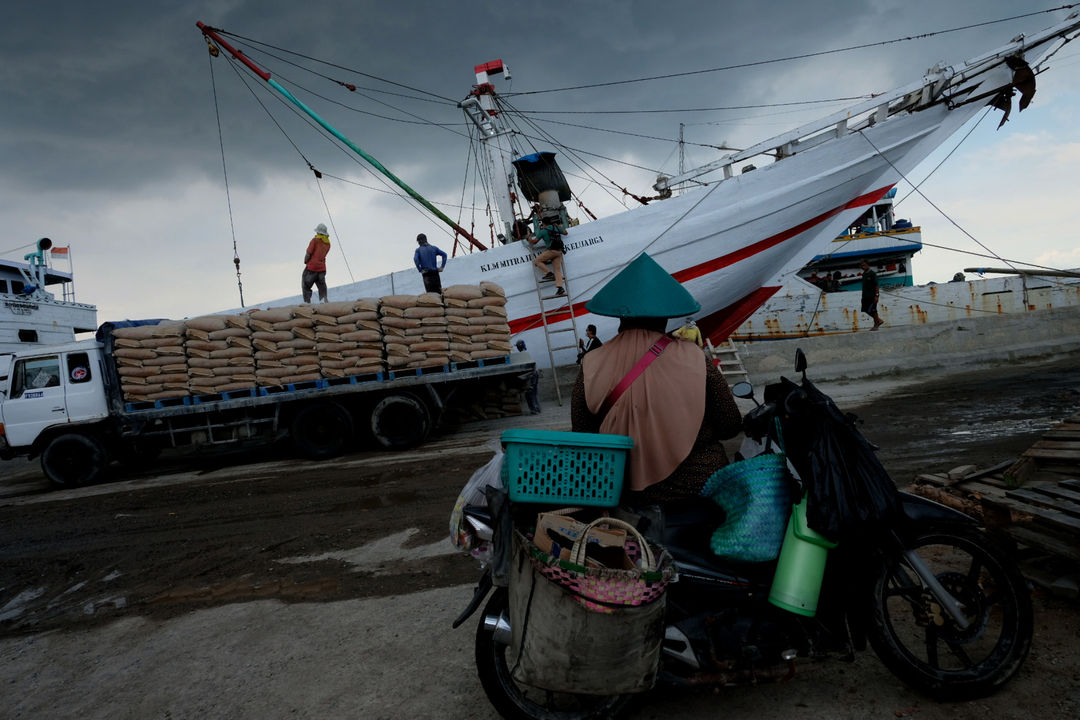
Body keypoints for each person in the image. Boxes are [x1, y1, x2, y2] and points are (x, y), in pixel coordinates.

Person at [571, 253, 742, 504]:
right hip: (699, 488)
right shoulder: (696, 358)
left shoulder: (591, 363)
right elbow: (730, 426)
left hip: (622, 490)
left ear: (621, 315)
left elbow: (583, 436)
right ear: (665, 315)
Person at [529, 220, 567, 296]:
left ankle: (548, 273)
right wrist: (558, 226)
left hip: (552, 251)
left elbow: (534, 242)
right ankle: (560, 288)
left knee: (537, 261)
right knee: (557, 270)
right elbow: (565, 233)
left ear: (543, 224)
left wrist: (528, 238)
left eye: (542, 225)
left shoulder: (543, 231)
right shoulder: (556, 227)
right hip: (559, 252)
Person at [302, 223, 331, 303]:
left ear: (318, 232)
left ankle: (307, 304)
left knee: (306, 286)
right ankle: (324, 301)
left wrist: (305, 261)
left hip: (312, 268)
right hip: (322, 269)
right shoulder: (328, 244)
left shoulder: (314, 241)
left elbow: (308, 253)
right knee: (322, 287)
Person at [515, 340, 541, 414]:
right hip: (535, 374)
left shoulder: (523, 355)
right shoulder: (527, 353)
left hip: (531, 375)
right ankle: (537, 408)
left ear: (519, 347)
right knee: (534, 392)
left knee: (529, 393)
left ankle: (534, 409)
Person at [860, 258, 884, 331]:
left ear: (868, 265)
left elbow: (876, 285)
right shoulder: (864, 274)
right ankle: (879, 320)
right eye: (861, 266)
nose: (862, 267)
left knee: (873, 310)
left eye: (864, 265)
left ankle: (876, 325)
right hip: (865, 296)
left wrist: (877, 296)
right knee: (865, 309)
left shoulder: (872, 274)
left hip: (872, 296)